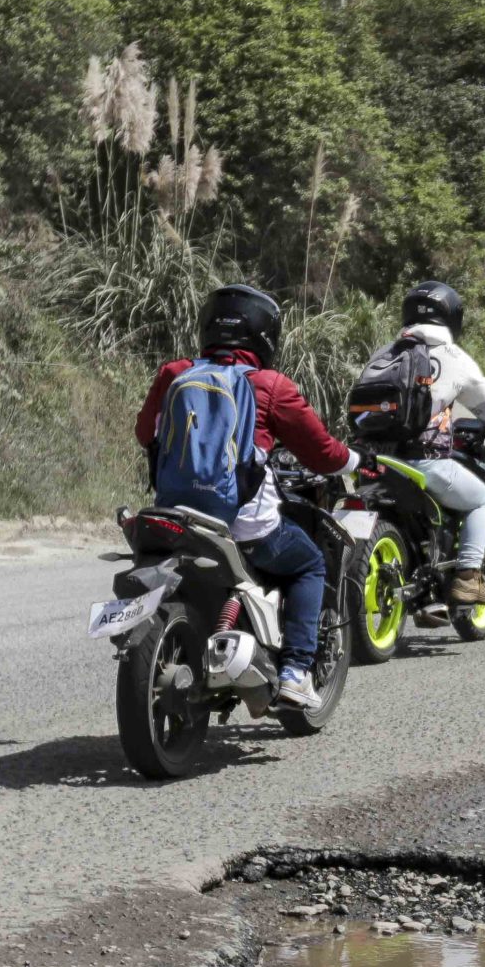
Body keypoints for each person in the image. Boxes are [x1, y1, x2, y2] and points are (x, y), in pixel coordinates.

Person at [135, 284, 357, 711]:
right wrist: (353, 462)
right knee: (309, 562)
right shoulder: (270, 385)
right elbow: (322, 452)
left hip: (175, 514)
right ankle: (294, 672)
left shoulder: (174, 373)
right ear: (266, 335)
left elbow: (147, 435)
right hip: (244, 525)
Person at [383, 280, 485, 607]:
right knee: (483, 501)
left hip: (372, 459)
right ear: (452, 317)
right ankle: (468, 579)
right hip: (423, 460)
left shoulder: (385, 353)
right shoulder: (451, 356)